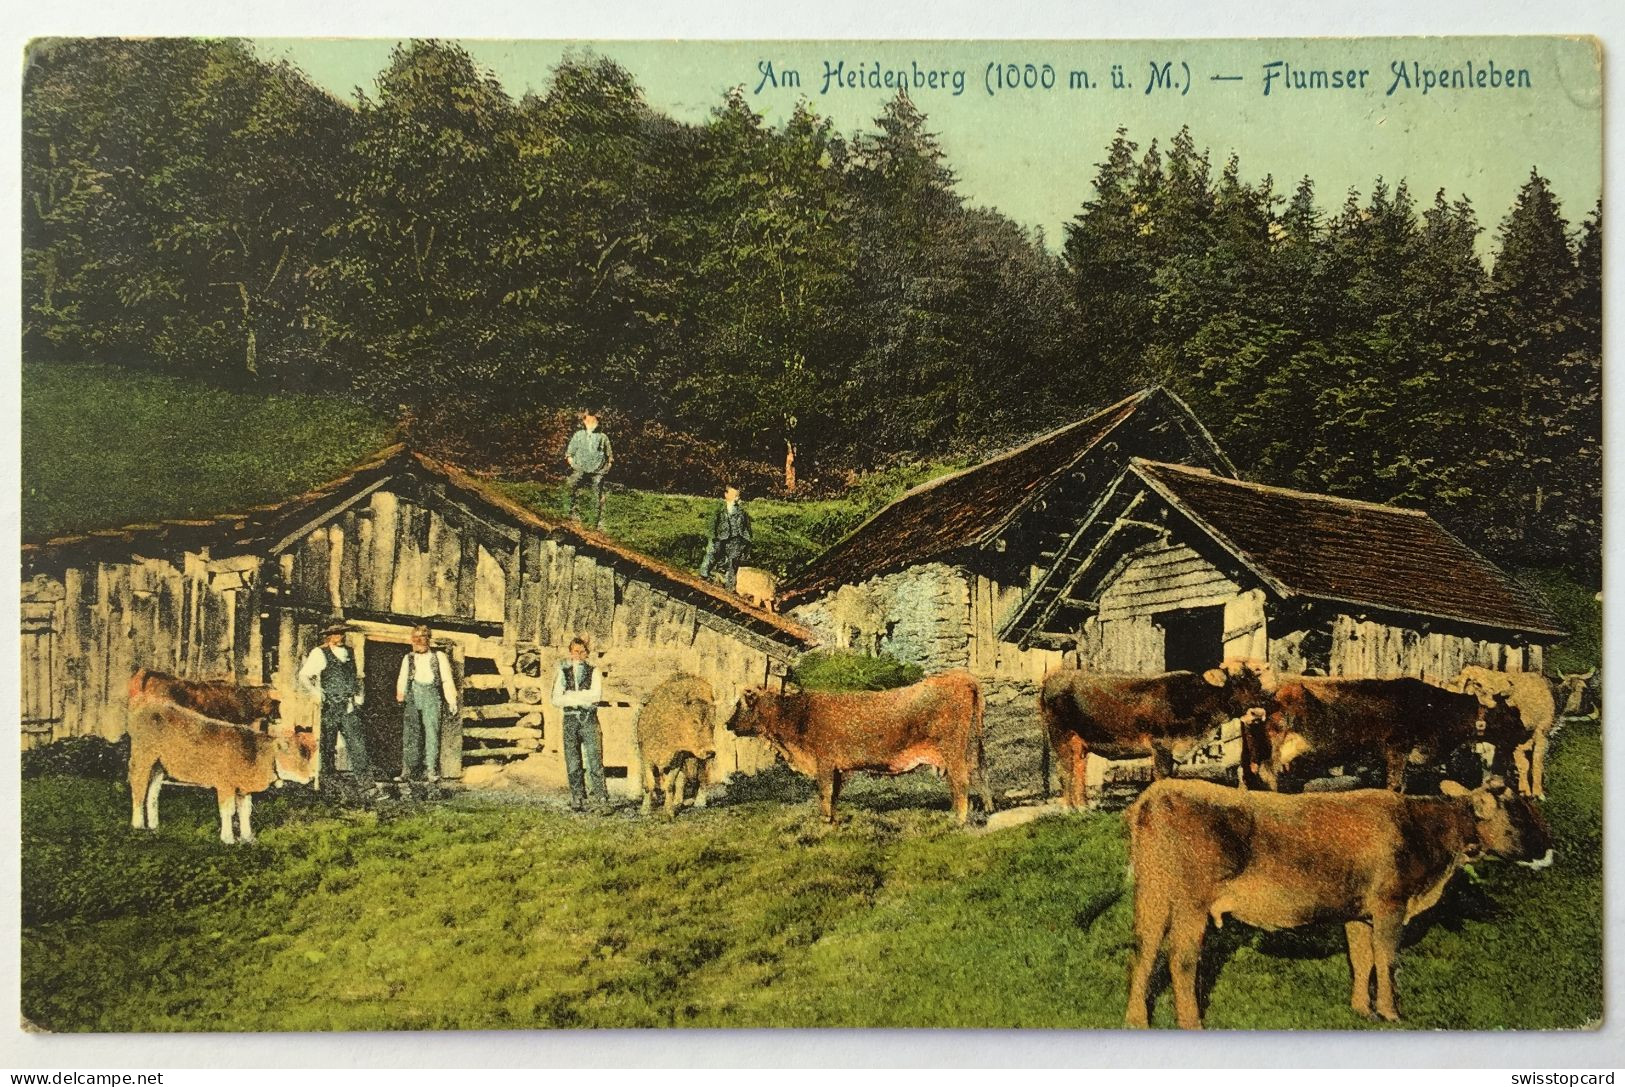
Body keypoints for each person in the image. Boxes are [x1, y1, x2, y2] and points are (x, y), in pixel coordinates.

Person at [298, 616, 370, 786]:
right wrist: (316, 692)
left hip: (348, 706)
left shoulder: (350, 652)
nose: (340, 637)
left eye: (342, 633)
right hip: (330, 705)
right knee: (327, 745)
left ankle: (367, 785)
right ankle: (327, 784)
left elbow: (356, 678)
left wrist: (358, 697)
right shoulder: (320, 652)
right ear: (328, 636)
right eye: (336, 634)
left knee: (357, 744)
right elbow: (304, 675)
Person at [551, 636, 610, 811]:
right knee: (573, 761)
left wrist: (569, 696)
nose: (578, 655)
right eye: (575, 651)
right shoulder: (563, 671)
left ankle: (601, 799)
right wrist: (580, 697)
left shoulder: (594, 671)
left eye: (582, 651)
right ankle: (578, 798)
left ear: (587, 653)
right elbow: (556, 699)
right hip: (569, 719)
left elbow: (595, 696)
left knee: (594, 760)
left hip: (588, 719)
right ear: (570, 652)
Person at [395, 625, 459, 783]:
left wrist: (451, 700)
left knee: (432, 733)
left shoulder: (439, 657)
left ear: (428, 639)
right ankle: (407, 771)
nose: (418, 641)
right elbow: (403, 677)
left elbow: (446, 679)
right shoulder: (408, 657)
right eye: (415, 638)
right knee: (411, 734)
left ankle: (430, 770)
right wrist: (401, 695)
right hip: (413, 696)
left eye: (422, 638)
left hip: (431, 696)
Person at [563, 410, 614, 527]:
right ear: (584, 420)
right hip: (580, 468)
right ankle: (566, 514)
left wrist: (605, 470)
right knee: (570, 484)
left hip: (597, 471)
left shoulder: (603, 437)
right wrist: (574, 465)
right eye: (588, 419)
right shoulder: (579, 435)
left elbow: (610, 457)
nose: (591, 422)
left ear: (598, 421)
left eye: (594, 420)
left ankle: (593, 523)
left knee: (596, 493)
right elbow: (569, 453)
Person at [699, 484, 752, 590]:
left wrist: (747, 539)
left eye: (738, 496)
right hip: (720, 537)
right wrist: (712, 537)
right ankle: (703, 574)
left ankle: (729, 586)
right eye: (734, 495)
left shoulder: (742, 512)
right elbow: (712, 524)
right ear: (726, 495)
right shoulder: (719, 509)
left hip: (736, 538)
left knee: (733, 561)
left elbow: (747, 526)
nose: (737, 498)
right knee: (712, 553)